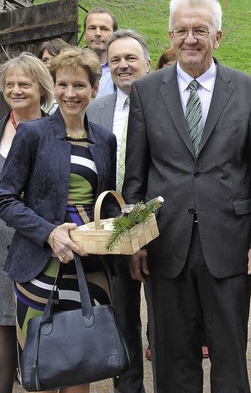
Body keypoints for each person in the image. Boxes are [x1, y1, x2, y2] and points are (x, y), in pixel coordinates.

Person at [123, 0, 251, 392]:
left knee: (229, 354)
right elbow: (135, 176)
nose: (191, 38)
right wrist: (134, 241)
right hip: (164, 243)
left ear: (218, 36)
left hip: (228, 243)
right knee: (172, 357)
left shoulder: (247, 90)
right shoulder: (145, 91)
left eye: (200, 30)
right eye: (182, 30)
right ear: (170, 36)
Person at [0, 47, 118, 393]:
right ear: (53, 86)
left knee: (81, 365)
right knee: (44, 369)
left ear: (94, 89)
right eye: (63, 85)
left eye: (79, 86)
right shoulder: (32, 134)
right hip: (39, 266)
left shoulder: (104, 140)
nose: (70, 94)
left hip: (89, 269)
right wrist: (49, 233)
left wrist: (125, 224)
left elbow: (105, 202)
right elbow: (5, 198)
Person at [86, 29, 151, 393]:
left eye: (130, 58)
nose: (123, 66)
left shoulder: (166, 101)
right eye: (115, 60)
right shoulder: (96, 110)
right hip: (113, 225)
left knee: (167, 319)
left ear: (146, 60)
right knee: (122, 317)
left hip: (164, 226)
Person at [0, 53, 52, 393]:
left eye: (24, 84)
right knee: (2, 325)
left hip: (37, 243)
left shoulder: (55, 131)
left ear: (41, 89)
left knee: (35, 329)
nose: (16, 90)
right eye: (10, 84)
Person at [83, 7, 118, 98]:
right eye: (92, 28)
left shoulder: (122, 69)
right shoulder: (71, 66)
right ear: (84, 34)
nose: (98, 33)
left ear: (114, 35)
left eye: (104, 29)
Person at [37, 38, 72, 114]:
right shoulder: (36, 89)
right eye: (45, 60)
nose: (49, 64)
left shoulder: (71, 92)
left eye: (55, 59)